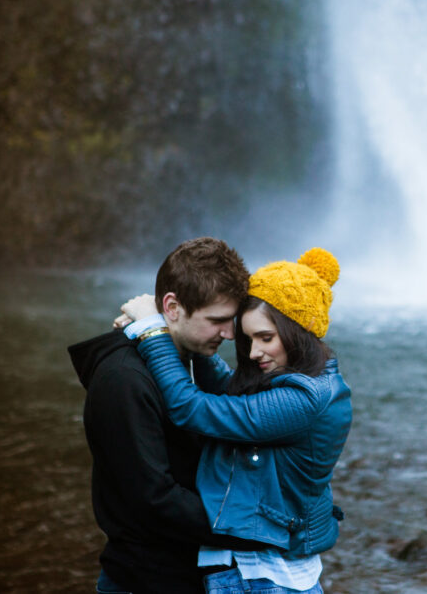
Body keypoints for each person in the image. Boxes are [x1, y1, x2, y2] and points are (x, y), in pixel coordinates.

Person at [118, 248, 352, 594]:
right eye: (248, 339)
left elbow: (191, 407)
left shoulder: (303, 400)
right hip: (256, 571)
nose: (254, 351)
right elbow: (229, 390)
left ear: (299, 331)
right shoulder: (302, 382)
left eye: (266, 338)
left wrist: (153, 333)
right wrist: (182, 335)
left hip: (263, 577)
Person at [69, 237, 270, 594]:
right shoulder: (123, 381)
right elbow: (154, 499)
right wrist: (258, 526)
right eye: (218, 321)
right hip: (143, 580)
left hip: (189, 573)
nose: (228, 334)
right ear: (173, 307)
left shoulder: (190, 359)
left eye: (232, 321)